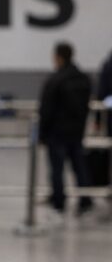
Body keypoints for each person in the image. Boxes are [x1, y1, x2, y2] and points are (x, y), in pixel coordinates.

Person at [39, 41, 93, 218]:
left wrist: (42, 133)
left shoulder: (55, 80)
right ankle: (85, 200)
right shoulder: (83, 78)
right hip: (77, 131)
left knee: (57, 169)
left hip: (57, 133)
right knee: (79, 167)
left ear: (58, 57)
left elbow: (46, 109)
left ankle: (58, 202)